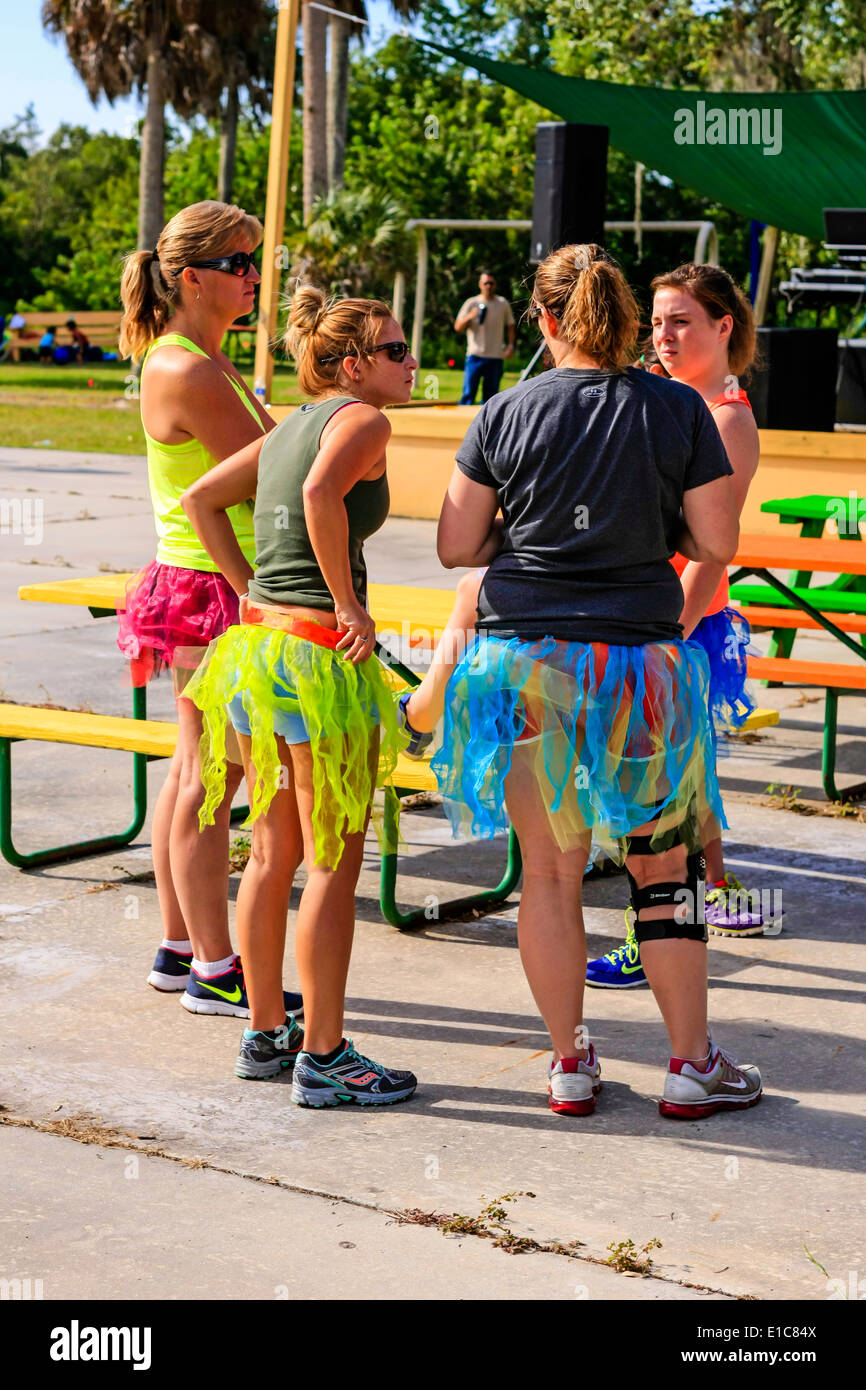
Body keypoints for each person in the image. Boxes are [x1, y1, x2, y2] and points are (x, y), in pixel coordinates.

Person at [425, 243, 762, 1120]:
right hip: (638, 664)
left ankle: (569, 1064)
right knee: (663, 870)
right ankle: (691, 1067)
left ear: (541, 320)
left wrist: (532, 546)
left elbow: (457, 548)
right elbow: (716, 545)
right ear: (624, 321)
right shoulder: (678, 409)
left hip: (521, 658)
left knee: (549, 872)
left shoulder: (503, 409)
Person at [181, 287, 419, 1109]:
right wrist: (348, 605)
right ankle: (324, 1055)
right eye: (395, 351)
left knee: (274, 851)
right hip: (317, 658)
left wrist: (252, 589)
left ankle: (265, 1031)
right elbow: (321, 497)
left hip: (255, 654)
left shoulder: (284, 427)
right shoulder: (362, 421)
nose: (411, 361)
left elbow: (200, 500)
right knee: (331, 861)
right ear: (353, 365)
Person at [117, 199, 301, 1021]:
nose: (254, 276)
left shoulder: (201, 355)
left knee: (195, 771)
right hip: (212, 586)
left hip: (198, 582)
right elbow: (271, 475)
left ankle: (181, 945)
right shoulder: (187, 366)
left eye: (256, 261)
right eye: (239, 263)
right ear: (192, 277)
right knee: (210, 779)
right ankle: (216, 971)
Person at [586, 262, 775, 991]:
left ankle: (654, 932)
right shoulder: (670, 401)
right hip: (658, 615)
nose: (662, 335)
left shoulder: (725, 416)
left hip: (676, 623)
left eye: (681, 321)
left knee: (656, 793)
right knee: (682, 785)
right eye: (656, 321)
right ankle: (711, 897)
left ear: (725, 325)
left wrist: (664, 636)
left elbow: (709, 552)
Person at [455, 269, 515, 405]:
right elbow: (458, 327)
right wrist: (470, 316)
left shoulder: (502, 303)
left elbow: (510, 326)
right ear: (480, 284)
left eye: (491, 283)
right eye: (486, 283)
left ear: (495, 285)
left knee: (491, 399)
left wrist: (510, 346)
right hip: (474, 355)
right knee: (468, 395)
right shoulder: (471, 303)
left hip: (495, 357)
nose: (488, 286)